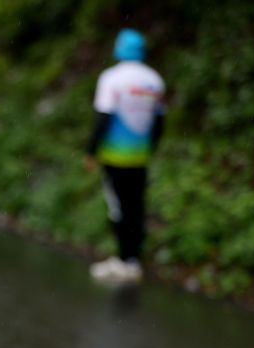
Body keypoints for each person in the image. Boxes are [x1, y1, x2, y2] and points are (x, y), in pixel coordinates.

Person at [85, 28, 165, 283]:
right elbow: (160, 121)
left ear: (119, 49)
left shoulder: (112, 78)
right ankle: (134, 260)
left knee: (118, 208)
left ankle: (122, 260)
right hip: (140, 157)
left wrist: (91, 150)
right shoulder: (154, 80)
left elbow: (103, 117)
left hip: (115, 157)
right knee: (136, 206)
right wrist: (150, 147)